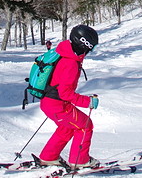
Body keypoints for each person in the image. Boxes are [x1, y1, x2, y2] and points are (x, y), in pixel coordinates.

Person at [38, 24, 100, 170]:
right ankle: (80, 160)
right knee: (85, 126)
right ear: (85, 44)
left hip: (49, 103)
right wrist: (88, 101)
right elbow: (65, 93)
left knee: (66, 128)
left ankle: (49, 157)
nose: (91, 50)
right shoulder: (71, 62)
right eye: (92, 47)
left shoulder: (64, 54)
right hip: (58, 104)